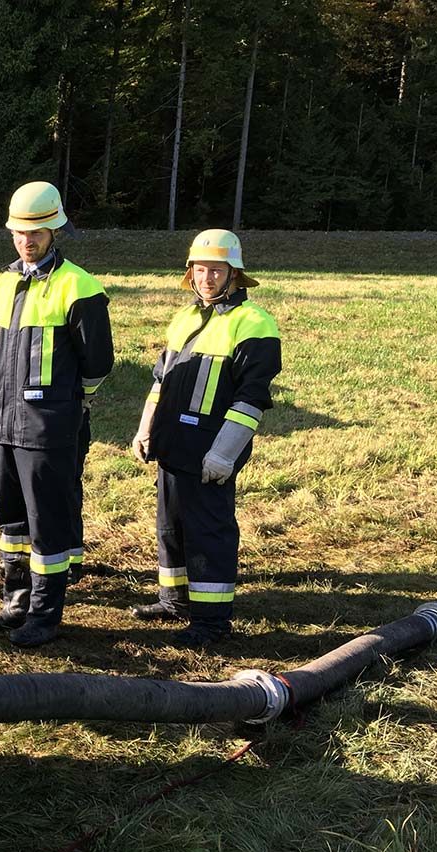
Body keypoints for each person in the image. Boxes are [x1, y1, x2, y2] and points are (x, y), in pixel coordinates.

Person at [0, 182, 114, 648]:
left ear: (54, 230)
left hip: (48, 429)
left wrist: (63, 404)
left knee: (47, 524)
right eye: (18, 233)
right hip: (6, 425)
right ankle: (16, 603)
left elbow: (98, 364)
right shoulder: (6, 281)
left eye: (34, 233)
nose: (25, 241)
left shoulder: (80, 285)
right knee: (10, 520)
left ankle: (45, 615)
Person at [129, 229, 281, 644]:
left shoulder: (255, 324)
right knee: (171, 527)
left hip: (211, 451)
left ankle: (211, 622)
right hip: (173, 445)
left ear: (235, 274)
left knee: (207, 533)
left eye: (216, 270)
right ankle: (173, 601)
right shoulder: (186, 318)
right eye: (200, 269)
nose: (207, 277)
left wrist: (224, 453)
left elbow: (251, 399)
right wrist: (145, 429)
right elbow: (160, 381)